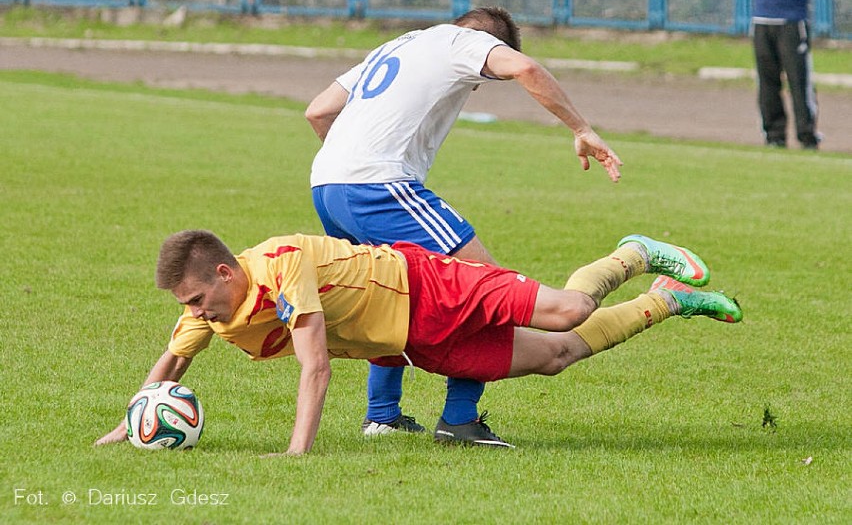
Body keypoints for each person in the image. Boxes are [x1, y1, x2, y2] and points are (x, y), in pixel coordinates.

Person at [95, 230, 742, 455]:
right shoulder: (211, 312)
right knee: (559, 355)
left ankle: (632, 253)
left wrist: (296, 452)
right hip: (414, 342)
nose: (193, 312)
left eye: (195, 298)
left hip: (429, 285)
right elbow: (173, 357)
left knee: (568, 310)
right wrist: (131, 423)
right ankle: (667, 300)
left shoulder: (282, 263)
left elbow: (315, 365)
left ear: (224, 274)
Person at [305, 6, 622, 447]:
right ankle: (458, 418)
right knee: (488, 291)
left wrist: (351, 162)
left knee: (385, 295)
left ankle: (382, 416)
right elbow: (526, 68)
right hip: (380, 186)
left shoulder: (398, 44)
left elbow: (318, 112)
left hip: (327, 186)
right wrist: (582, 128)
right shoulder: (466, 42)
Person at [741, 0, 820, 148]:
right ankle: (774, 135)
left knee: (799, 80)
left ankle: (806, 135)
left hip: (792, 21)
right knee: (767, 81)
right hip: (763, 20)